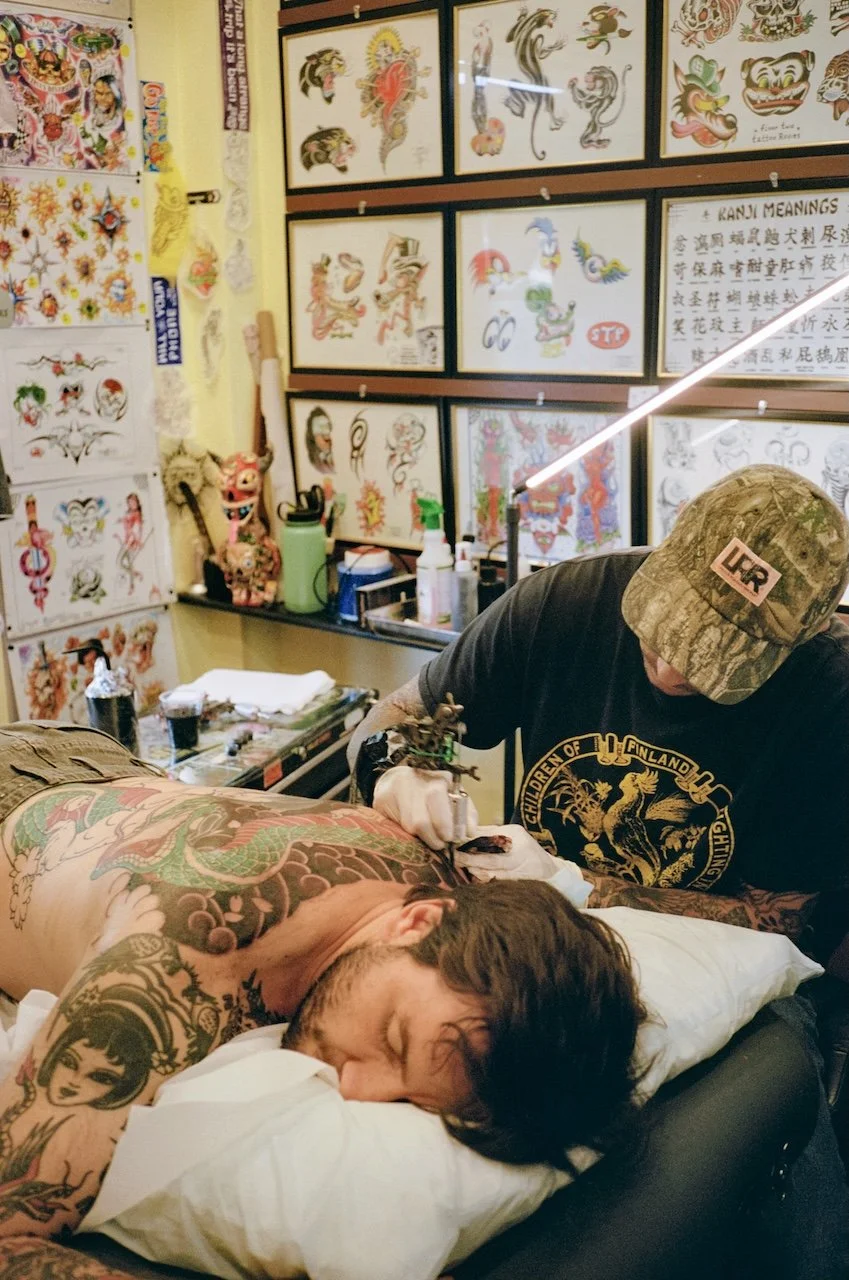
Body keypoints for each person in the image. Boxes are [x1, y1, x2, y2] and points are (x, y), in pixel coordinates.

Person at [348, 462, 849, 1280]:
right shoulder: (567, 602)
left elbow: (786, 923)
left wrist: (579, 885)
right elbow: (396, 720)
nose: (671, 670)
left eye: (712, 659)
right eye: (666, 629)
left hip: (727, 972)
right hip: (532, 930)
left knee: (681, 1179)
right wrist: (396, 770)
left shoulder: (827, 697)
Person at [0, 721, 645, 1264]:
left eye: (407, 1101)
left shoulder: (464, 897)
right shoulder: (183, 950)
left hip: (101, 767)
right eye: (393, 1038)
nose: (355, 1087)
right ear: (419, 922)